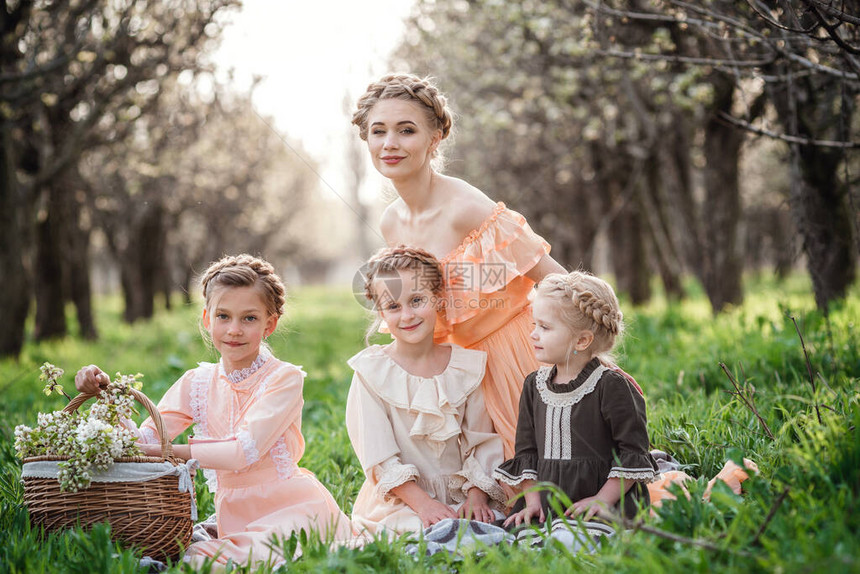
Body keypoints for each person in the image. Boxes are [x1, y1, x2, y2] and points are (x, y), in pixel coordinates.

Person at [75, 254, 352, 568]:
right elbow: (144, 441)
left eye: (249, 318)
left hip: (293, 509)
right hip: (233, 515)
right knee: (214, 555)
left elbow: (240, 453)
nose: (234, 329)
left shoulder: (283, 379)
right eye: (223, 316)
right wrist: (106, 395)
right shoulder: (196, 382)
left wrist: (167, 451)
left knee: (223, 560)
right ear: (207, 319)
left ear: (269, 324)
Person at [352, 73, 566, 458]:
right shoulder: (390, 222)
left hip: (514, 357)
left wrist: (569, 358)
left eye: (406, 130)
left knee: (543, 490)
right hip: (457, 374)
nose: (390, 144)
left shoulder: (465, 208)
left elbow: (558, 282)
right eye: (378, 131)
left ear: (434, 139)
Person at [346, 246, 506, 536]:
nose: (406, 315)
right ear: (381, 311)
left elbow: (482, 441)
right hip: (402, 500)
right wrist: (424, 505)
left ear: (439, 299)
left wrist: (476, 496)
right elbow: (378, 456)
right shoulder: (371, 372)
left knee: (489, 527)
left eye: (417, 300)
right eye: (393, 306)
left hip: (461, 496)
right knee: (416, 533)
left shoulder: (466, 367)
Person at [494, 271, 658, 532]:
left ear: (582, 340)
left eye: (545, 327)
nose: (533, 335)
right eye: (533, 325)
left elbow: (633, 453)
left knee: (582, 540)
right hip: (547, 503)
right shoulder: (533, 385)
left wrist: (602, 500)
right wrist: (533, 501)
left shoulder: (611, 386)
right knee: (521, 540)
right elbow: (526, 452)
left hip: (602, 501)